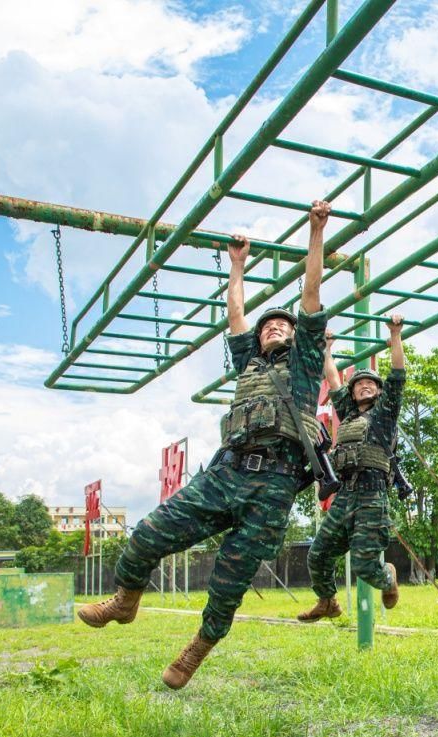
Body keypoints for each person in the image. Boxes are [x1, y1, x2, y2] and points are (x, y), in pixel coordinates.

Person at [78, 200, 334, 689]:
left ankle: (196, 649)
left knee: (228, 582)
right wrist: (237, 265)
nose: (273, 327)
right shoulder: (249, 364)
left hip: (274, 488)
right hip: (226, 474)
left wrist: (315, 233)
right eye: (268, 326)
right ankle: (125, 600)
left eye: (282, 324)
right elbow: (235, 315)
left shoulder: (302, 367)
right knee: (147, 534)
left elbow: (311, 293)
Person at [296, 312, 406, 620]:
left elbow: (397, 373)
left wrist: (395, 335)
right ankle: (327, 601)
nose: (365, 387)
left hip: (372, 497)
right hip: (346, 495)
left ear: (380, 392)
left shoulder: (385, 416)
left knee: (364, 566)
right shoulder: (349, 413)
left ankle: (388, 576)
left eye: (371, 384)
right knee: (317, 554)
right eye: (359, 385)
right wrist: (328, 350)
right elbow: (333, 381)